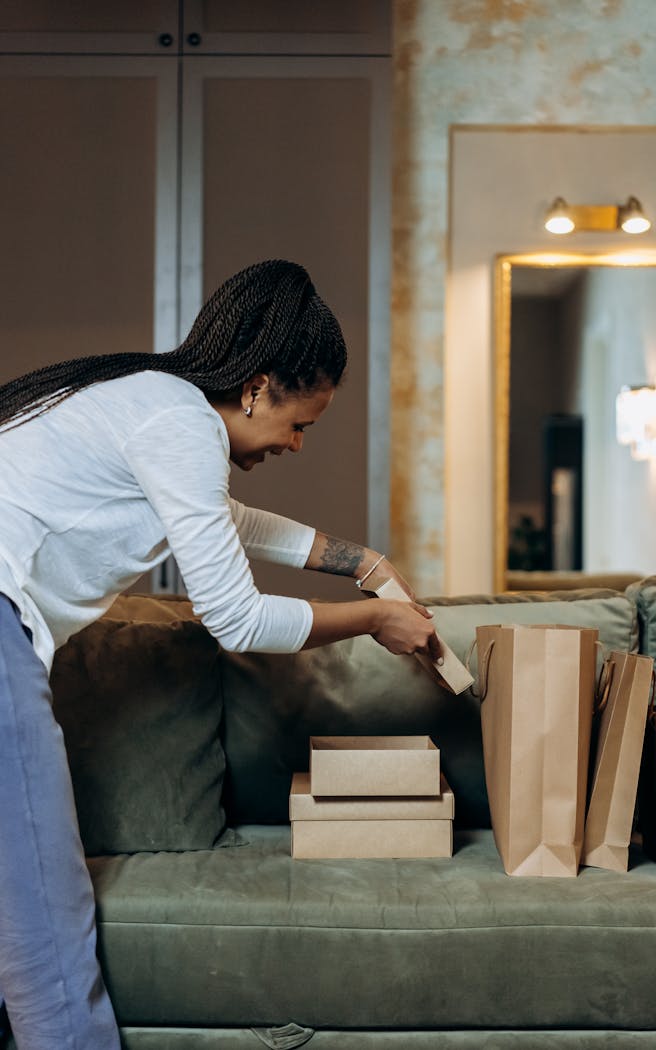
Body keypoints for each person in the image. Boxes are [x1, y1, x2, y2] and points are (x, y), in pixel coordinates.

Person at [0, 259, 440, 1050]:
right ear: (259, 387)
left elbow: (223, 521)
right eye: (300, 423)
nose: (298, 446)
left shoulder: (150, 402)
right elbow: (235, 619)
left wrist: (363, 561)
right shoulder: (175, 421)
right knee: (43, 908)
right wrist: (373, 618)